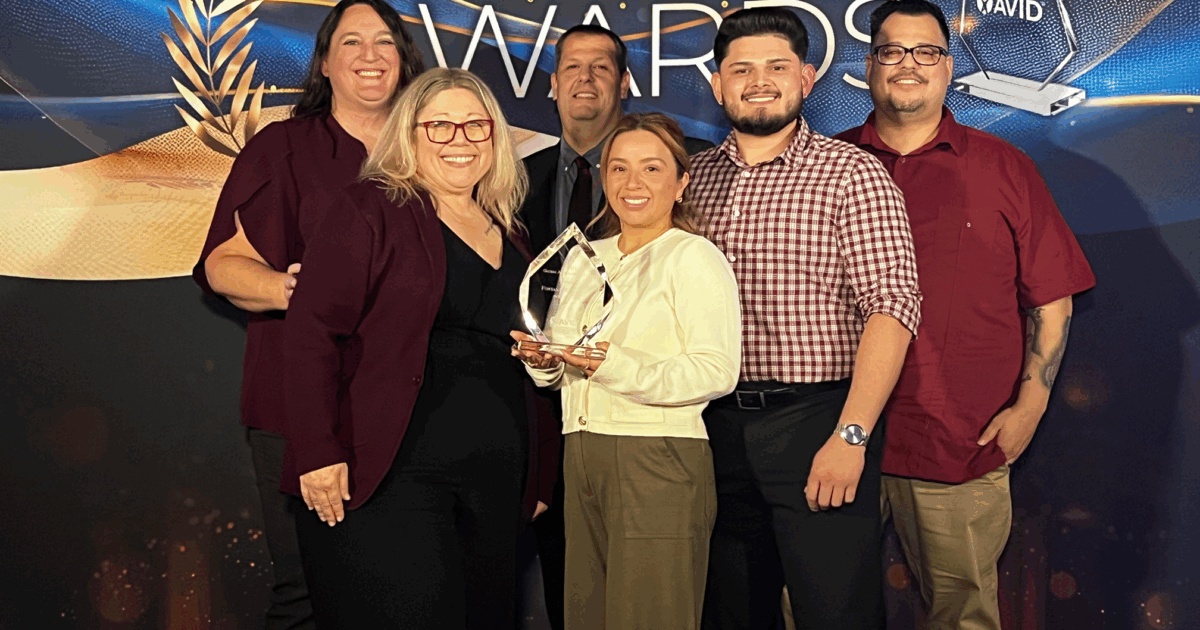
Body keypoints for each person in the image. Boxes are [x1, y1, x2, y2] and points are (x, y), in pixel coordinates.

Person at [833, 2, 1095, 628]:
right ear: (869, 65)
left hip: (957, 439)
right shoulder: (827, 165)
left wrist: (1031, 403)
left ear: (949, 68)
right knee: (818, 607)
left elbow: (1050, 296)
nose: (909, 64)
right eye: (892, 51)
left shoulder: (1003, 166)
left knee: (964, 616)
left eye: (926, 51)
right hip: (834, 436)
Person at [689, 7, 923, 630]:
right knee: (729, 613)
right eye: (741, 69)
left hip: (818, 425)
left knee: (837, 613)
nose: (758, 81)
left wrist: (852, 436)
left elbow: (893, 307)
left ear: (806, 78)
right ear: (717, 84)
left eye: (776, 66)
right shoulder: (691, 181)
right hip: (710, 428)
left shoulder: (853, 174)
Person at [191, 1, 423, 626]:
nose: (370, 55)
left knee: (407, 590)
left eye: (385, 41)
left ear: (405, 59)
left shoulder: (433, 148)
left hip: (413, 406)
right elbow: (222, 263)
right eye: (352, 42)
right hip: (297, 402)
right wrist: (292, 290)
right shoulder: (283, 147)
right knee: (307, 593)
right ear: (324, 62)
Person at [281, 67, 538, 629]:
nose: (459, 140)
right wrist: (317, 450)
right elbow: (310, 333)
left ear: (495, 136)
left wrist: (539, 477)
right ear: (410, 134)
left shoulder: (513, 232)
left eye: (475, 125)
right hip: (391, 474)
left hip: (494, 481)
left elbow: (526, 359)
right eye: (439, 125)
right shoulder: (369, 208)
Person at [518, 25, 713, 629]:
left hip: (656, 451)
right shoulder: (584, 253)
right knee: (585, 612)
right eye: (620, 168)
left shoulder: (693, 256)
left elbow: (715, 370)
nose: (633, 183)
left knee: (651, 614)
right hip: (576, 445)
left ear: (681, 180)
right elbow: (562, 350)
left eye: (652, 168)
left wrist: (607, 364)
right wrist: (543, 360)